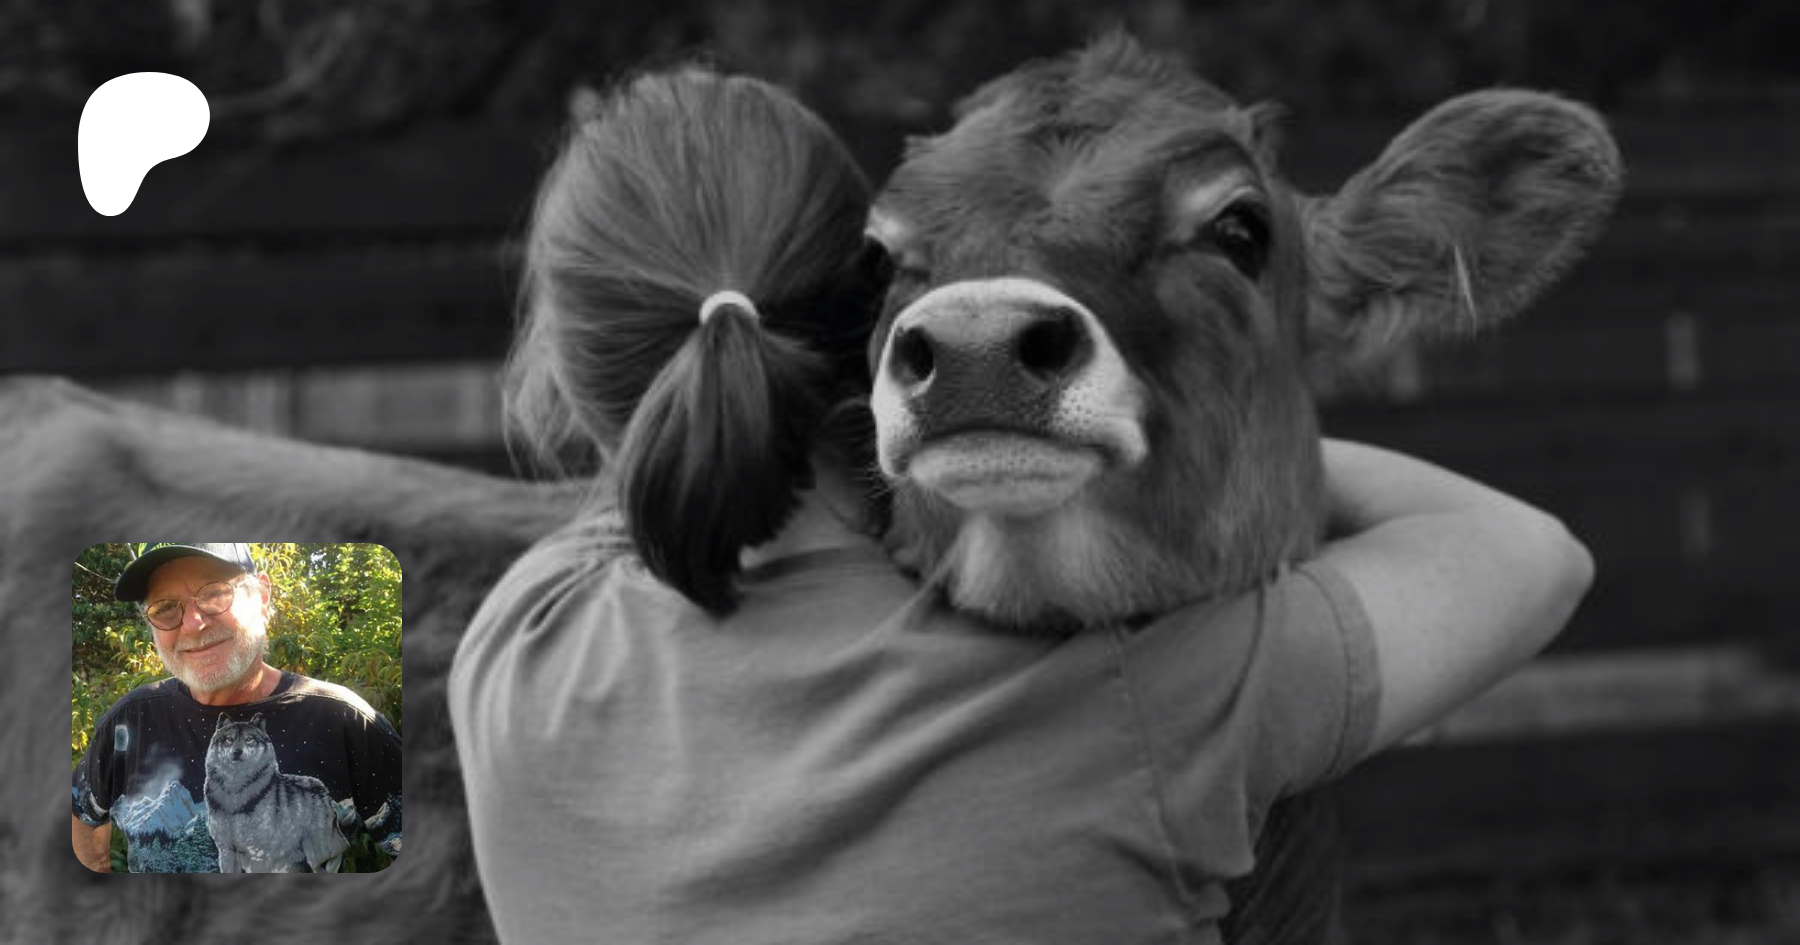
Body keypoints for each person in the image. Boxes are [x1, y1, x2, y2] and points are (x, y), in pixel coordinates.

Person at [447, 66, 1593, 943]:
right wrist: (1212, 411)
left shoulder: (513, 639)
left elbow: (309, 757)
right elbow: (1533, 554)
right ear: (864, 319)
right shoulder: (1153, 698)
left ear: (559, 377)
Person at [72, 543, 402, 873]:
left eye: (215, 593)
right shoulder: (129, 720)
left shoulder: (344, 720)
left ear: (262, 597)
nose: (193, 624)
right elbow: (82, 814)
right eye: (165, 608)